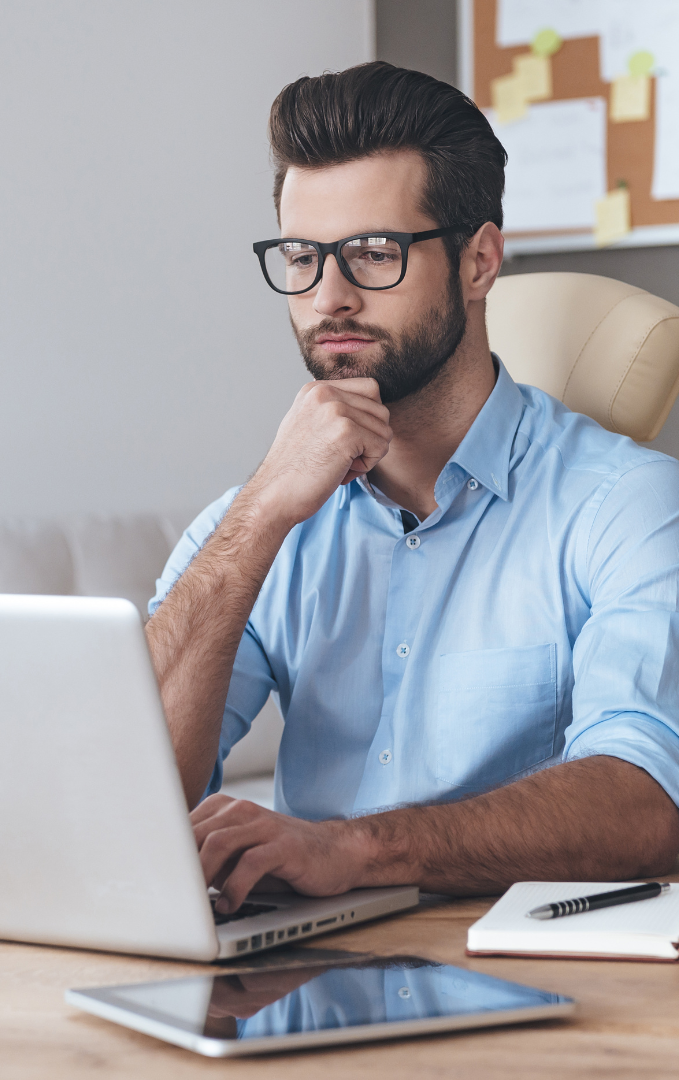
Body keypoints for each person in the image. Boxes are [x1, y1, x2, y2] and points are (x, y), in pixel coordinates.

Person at [145, 62, 679, 914]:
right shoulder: (259, 517)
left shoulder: (630, 508)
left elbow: (649, 804)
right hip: (297, 981)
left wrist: (355, 850)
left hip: (537, 988)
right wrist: (261, 519)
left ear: (479, 261)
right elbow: (129, 791)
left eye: (372, 254)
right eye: (302, 256)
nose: (329, 298)